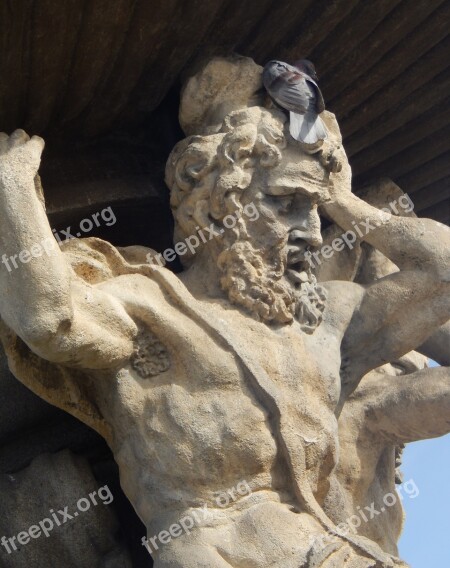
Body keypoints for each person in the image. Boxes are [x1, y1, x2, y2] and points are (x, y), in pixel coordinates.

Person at [0, 98, 448, 567]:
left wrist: (342, 199)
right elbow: (52, 320)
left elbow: (441, 273)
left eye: (315, 209)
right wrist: (14, 190)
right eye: (288, 203)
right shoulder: (151, 312)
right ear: (218, 208)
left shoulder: (325, 325)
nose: (313, 233)